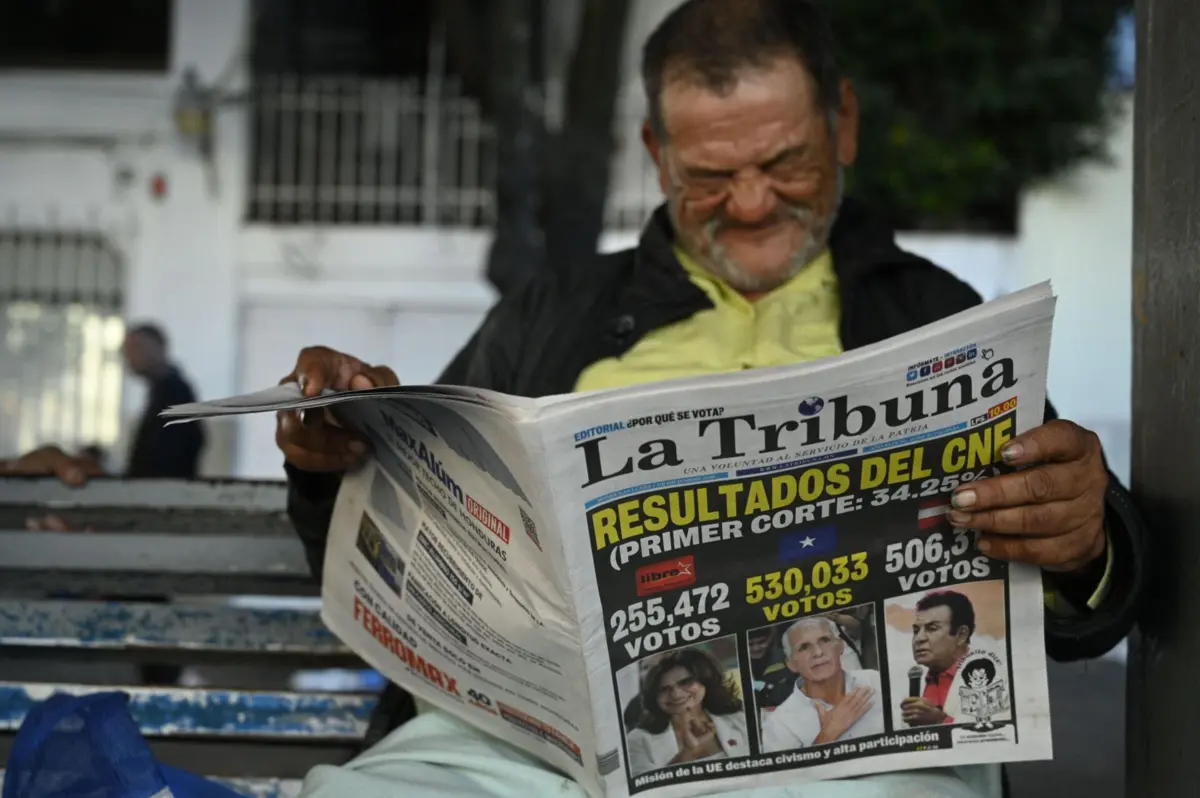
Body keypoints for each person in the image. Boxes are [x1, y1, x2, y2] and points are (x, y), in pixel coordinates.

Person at [277, 1, 1147, 795]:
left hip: (852, 766)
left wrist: (1082, 543)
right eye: (709, 176)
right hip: (530, 757)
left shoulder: (936, 317)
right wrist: (339, 465)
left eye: (785, 162)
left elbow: (1076, 600)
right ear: (658, 157)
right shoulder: (550, 314)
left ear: (841, 124)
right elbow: (405, 561)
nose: (754, 203)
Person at [760, 616, 882, 752]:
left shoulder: (875, 681)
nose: (818, 653)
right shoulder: (779, 723)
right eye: (804, 647)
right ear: (792, 664)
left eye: (824, 640)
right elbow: (787, 773)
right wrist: (828, 735)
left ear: (840, 646)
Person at [625, 648, 748, 777]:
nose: (676, 695)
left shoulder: (741, 718)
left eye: (685, 682)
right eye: (664, 689)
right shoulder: (637, 741)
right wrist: (687, 753)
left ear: (705, 681)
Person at [122, 323, 205, 479]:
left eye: (137, 347)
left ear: (159, 348)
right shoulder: (160, 391)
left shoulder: (176, 393)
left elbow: (166, 458)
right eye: (127, 350)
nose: (129, 356)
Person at [902, 590, 976, 727]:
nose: (919, 639)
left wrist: (940, 721)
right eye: (916, 631)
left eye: (932, 628)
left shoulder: (991, 677)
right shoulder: (910, 682)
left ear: (961, 635)